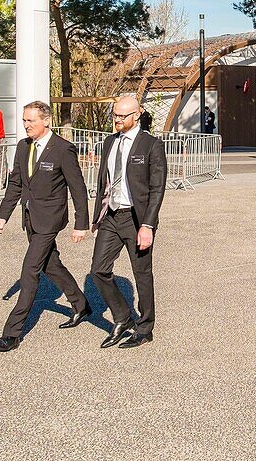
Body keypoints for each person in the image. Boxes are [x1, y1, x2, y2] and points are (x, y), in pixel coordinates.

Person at [0, 101, 90, 353]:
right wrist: (3, 215)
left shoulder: (63, 149)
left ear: (46, 120)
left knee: (30, 271)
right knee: (51, 265)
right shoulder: (23, 147)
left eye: (30, 121)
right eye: (24, 120)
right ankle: (81, 305)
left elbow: (78, 188)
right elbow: (16, 184)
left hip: (50, 220)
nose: (26, 125)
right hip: (30, 218)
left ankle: (12, 333)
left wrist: (81, 224)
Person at [89, 95, 167, 349]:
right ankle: (123, 317)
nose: (117, 120)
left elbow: (157, 189)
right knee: (98, 270)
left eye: (122, 116)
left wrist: (148, 225)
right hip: (111, 216)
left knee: (142, 274)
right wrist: (96, 217)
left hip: (137, 219)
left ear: (137, 114)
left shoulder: (151, 145)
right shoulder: (109, 142)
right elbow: (104, 181)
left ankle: (145, 328)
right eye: (115, 115)